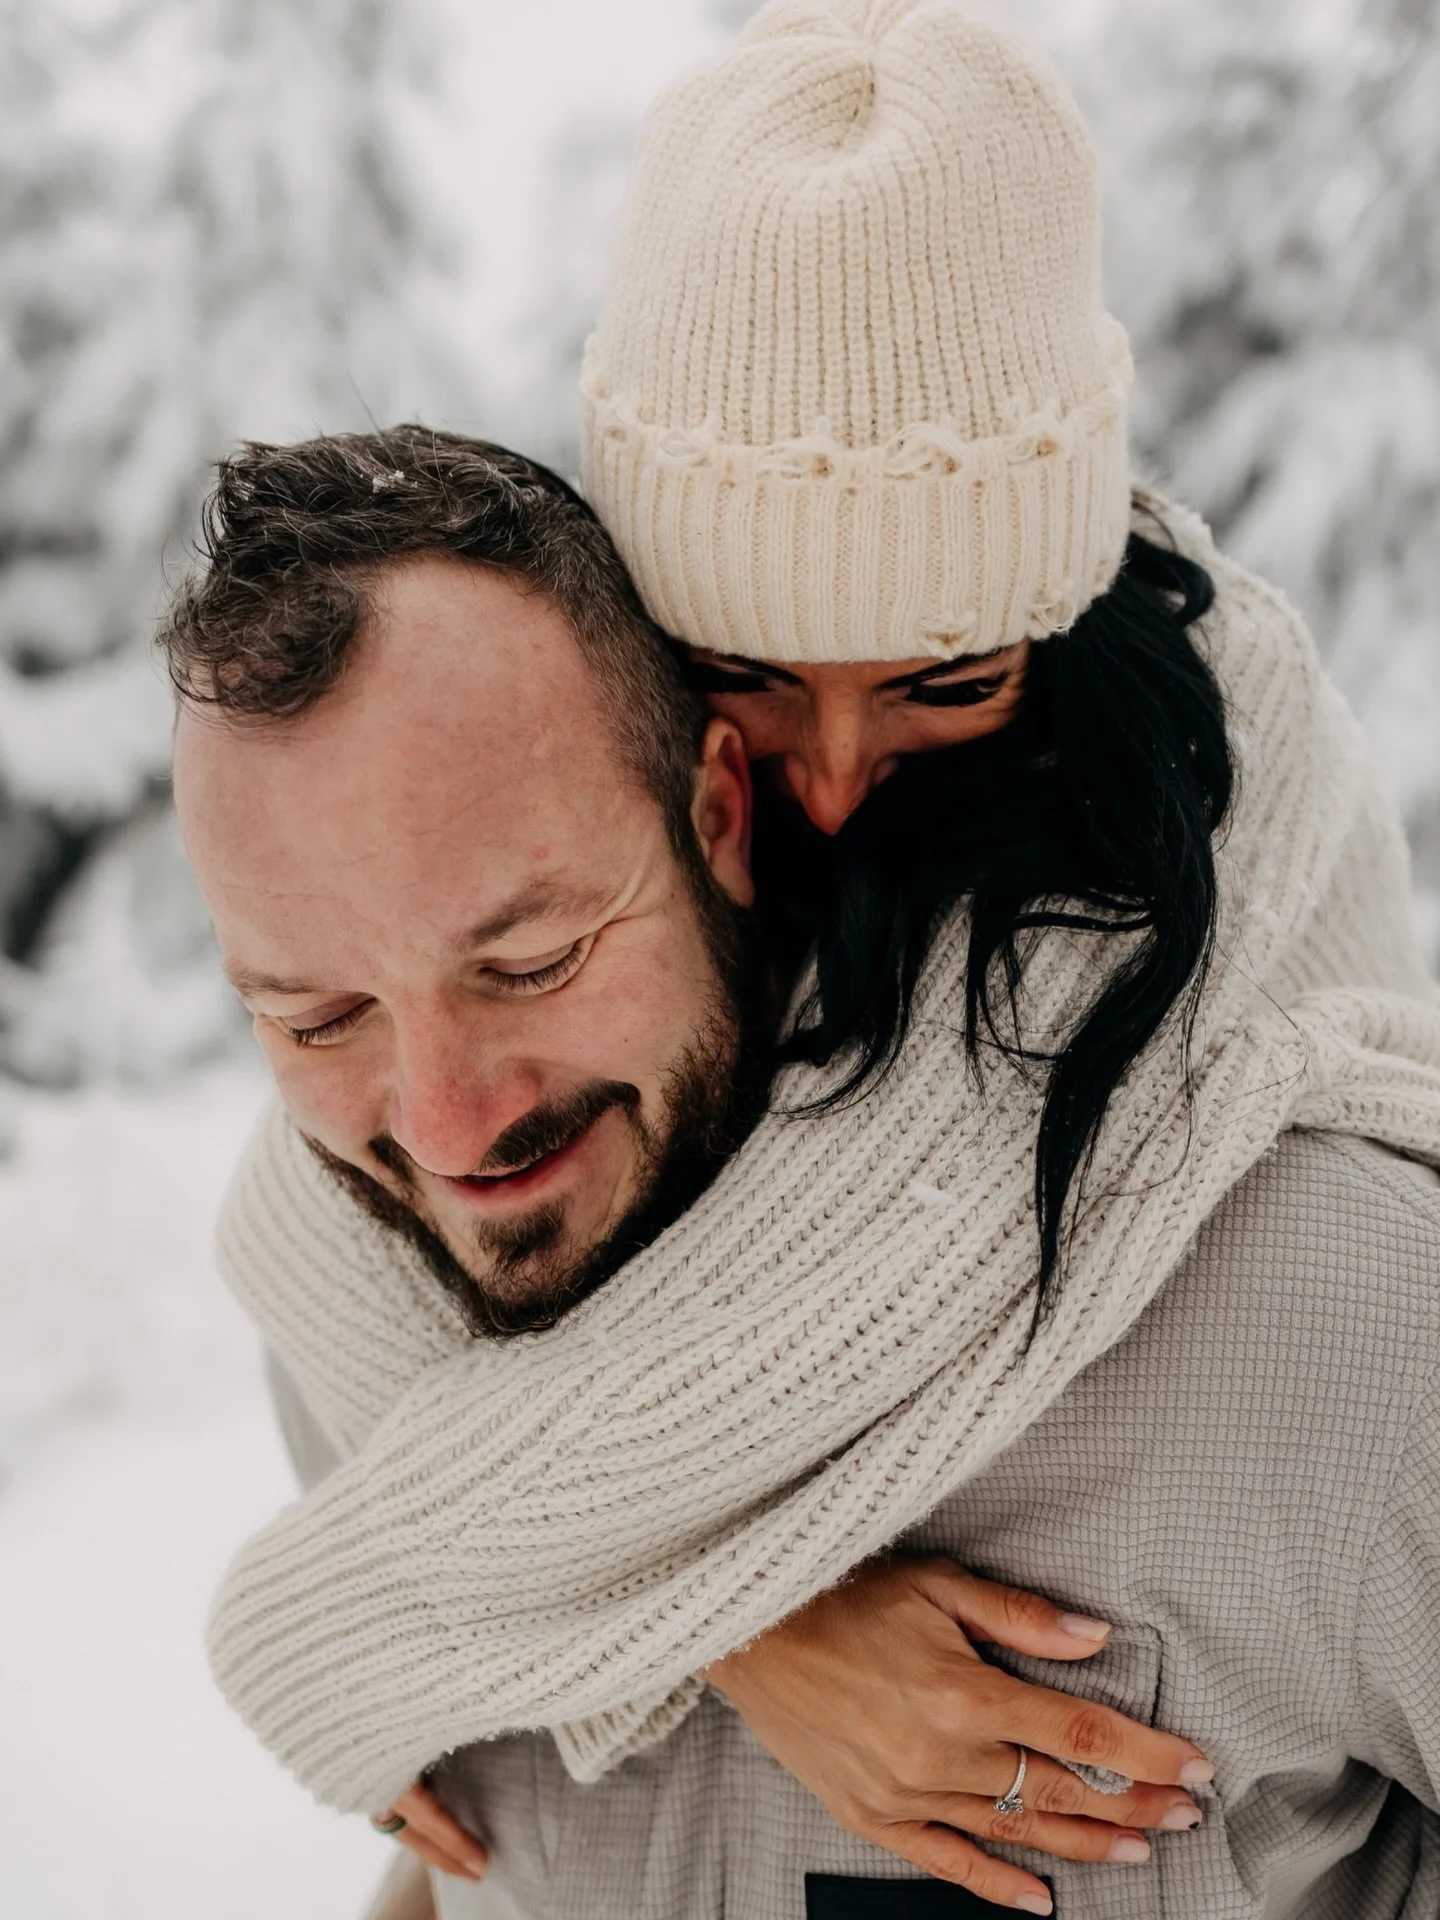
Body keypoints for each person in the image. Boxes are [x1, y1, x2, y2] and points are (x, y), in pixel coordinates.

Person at [177, 4, 1440, 1917]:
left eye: (948, 675)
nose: (838, 781)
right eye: (749, 672)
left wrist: (648, 1586)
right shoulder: (432, 1234)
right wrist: (738, 1611)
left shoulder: (1302, 1258)